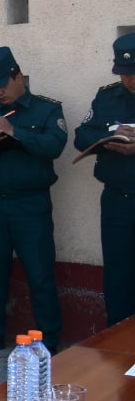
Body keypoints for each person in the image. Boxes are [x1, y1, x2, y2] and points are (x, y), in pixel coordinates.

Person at [0, 46, 66, 354]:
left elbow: (54, 147)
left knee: (40, 274)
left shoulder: (46, 110)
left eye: (3, 85)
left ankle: (48, 338)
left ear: (19, 76)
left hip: (30, 204)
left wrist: (15, 132)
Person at [75, 34, 135, 326]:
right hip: (117, 200)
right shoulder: (106, 97)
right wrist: (106, 138)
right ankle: (118, 347)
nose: (130, 80)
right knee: (118, 276)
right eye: (124, 74)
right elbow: (82, 135)